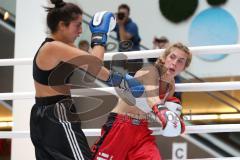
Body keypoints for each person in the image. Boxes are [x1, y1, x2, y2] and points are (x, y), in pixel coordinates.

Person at [30, 0, 144, 160]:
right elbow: (94, 63)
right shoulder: (53, 47)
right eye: (77, 25)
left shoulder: (60, 47)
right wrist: (99, 36)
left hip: (45, 115)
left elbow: (92, 68)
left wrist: (120, 80)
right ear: (62, 25)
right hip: (56, 114)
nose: (80, 30)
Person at [92, 42, 192, 160]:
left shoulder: (171, 86)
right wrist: (163, 111)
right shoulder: (150, 71)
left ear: (184, 67)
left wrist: (175, 120)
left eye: (180, 61)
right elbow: (152, 96)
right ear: (164, 58)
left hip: (142, 130)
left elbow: (162, 116)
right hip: (120, 126)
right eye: (172, 57)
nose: (175, 63)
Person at [113, 4, 142, 76]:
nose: (122, 16)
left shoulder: (132, 25)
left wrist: (120, 24)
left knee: (131, 83)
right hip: (122, 59)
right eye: (120, 14)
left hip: (134, 60)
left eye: (124, 14)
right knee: (120, 82)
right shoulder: (118, 24)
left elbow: (124, 42)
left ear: (128, 14)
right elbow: (106, 29)